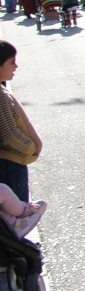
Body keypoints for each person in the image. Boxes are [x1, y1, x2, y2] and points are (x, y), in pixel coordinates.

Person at [0, 41, 42, 202]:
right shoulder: (1, 97)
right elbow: (9, 135)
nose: (16, 66)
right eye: (11, 62)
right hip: (11, 162)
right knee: (17, 214)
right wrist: (31, 147)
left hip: (9, 160)